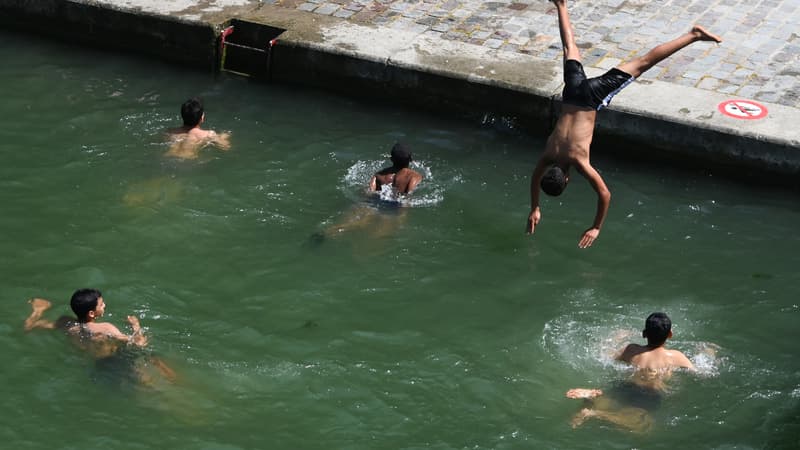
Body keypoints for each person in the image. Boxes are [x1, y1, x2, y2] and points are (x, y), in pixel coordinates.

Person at [527, 0, 722, 248]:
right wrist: (534, 207)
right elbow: (534, 177)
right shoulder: (548, 153)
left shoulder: (579, 161)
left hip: (593, 98)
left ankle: (694, 35)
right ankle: (561, 5)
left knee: (643, 63)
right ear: (550, 172)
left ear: (566, 180)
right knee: (570, 47)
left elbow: (605, 194)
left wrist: (596, 226)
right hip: (573, 94)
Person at [566, 312, 700, 432]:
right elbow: (699, 373)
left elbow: (605, 357)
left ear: (644, 334)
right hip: (649, 395)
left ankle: (595, 397)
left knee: (611, 400)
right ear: (670, 334)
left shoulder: (631, 350)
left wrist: (616, 338)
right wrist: (707, 353)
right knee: (644, 426)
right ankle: (594, 414)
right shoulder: (675, 356)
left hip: (624, 386)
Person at [24, 288, 175, 384]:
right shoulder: (105, 328)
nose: (104, 306)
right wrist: (135, 325)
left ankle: (38, 309)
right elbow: (139, 343)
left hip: (99, 366)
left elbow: (29, 327)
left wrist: (37, 313)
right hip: (117, 362)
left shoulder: (66, 323)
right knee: (153, 362)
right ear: (92, 313)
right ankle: (173, 380)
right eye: (101, 304)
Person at [166, 97, 231, 159]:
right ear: (202, 118)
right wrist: (223, 136)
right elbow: (225, 147)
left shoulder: (171, 131)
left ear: (182, 116)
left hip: (169, 156)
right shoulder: (209, 134)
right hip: (189, 161)